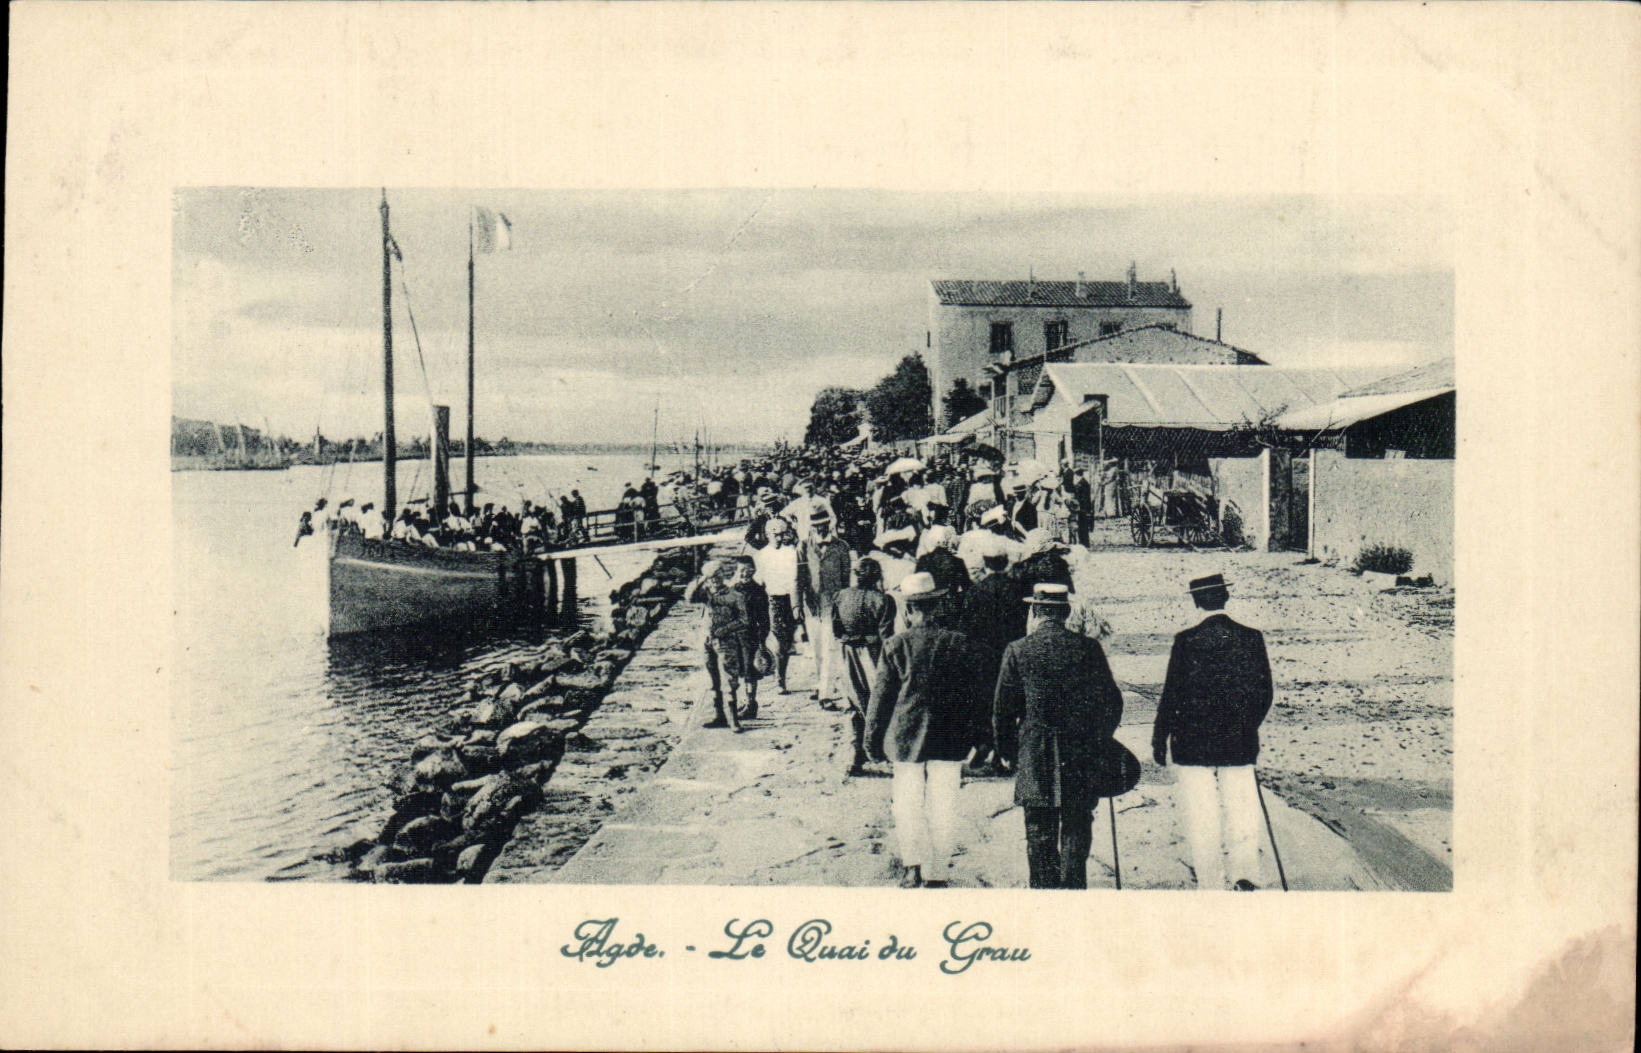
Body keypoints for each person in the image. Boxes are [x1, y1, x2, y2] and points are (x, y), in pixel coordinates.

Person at [993, 583, 1126, 889]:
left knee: (1039, 828)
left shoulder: (1018, 649)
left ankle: (1044, 892)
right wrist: (1099, 739)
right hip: (1081, 751)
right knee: (1078, 823)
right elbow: (1112, 702)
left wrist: (1009, 753)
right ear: (1066, 612)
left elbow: (1002, 712)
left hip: (1034, 752)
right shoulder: (1089, 648)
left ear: (1036, 611)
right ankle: (1074, 888)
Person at [1151, 573, 1274, 891]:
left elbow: (1171, 694)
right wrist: (1247, 725)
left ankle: (1209, 881)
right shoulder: (1251, 637)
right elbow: (1265, 692)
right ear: (1226, 598)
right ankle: (1246, 875)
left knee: (1201, 812)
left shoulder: (1186, 640)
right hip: (1238, 739)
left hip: (1192, 743)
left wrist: (1159, 738)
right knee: (1243, 806)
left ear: (1196, 601)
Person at [866, 572, 987, 889]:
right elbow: (975, 696)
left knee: (906, 805)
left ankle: (912, 866)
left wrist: (872, 740)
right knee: (944, 806)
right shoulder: (960, 643)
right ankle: (937, 872)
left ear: (907, 611)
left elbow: (881, 699)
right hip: (950, 738)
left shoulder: (895, 645)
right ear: (939, 606)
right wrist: (981, 738)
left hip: (906, 738)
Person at [832, 557, 896, 775]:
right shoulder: (883, 600)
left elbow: (836, 630)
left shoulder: (841, 596)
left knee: (853, 703)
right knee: (879, 702)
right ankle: (880, 751)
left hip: (846, 653)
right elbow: (886, 636)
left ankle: (855, 756)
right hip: (873, 654)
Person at [683, 560, 747, 733]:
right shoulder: (705, 595)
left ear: (723, 576)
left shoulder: (734, 595)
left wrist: (725, 629)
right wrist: (702, 578)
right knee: (713, 680)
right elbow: (689, 597)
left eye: (717, 576)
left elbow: (743, 620)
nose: (714, 581)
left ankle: (733, 719)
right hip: (707, 641)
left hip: (726, 642)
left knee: (729, 679)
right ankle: (719, 716)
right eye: (711, 578)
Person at [797, 504, 851, 706]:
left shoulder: (841, 547)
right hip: (811, 604)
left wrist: (843, 604)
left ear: (829, 524)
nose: (820, 529)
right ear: (811, 527)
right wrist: (797, 605)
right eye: (816, 526)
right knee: (817, 647)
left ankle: (825, 694)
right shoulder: (803, 546)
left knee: (830, 647)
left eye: (824, 524)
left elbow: (846, 579)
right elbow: (799, 578)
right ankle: (822, 685)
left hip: (833, 603)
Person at [752, 516, 800, 693]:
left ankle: (781, 675)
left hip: (791, 598)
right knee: (780, 642)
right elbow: (759, 580)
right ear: (767, 535)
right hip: (773, 600)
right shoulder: (762, 555)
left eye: (782, 534)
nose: (779, 538)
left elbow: (796, 577)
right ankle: (780, 680)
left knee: (787, 642)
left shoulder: (791, 552)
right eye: (775, 535)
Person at [731, 557, 769, 721]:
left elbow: (764, 618)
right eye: (741, 570)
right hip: (734, 636)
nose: (744, 573)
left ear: (753, 571)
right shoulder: (732, 589)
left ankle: (751, 704)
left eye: (748, 570)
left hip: (751, 636)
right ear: (736, 571)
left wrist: (762, 640)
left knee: (749, 671)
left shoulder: (758, 591)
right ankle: (744, 702)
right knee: (736, 670)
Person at [1073, 469, 1094, 547]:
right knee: (1082, 525)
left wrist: (1081, 506)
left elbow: (1084, 498)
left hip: (1083, 507)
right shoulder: (1083, 482)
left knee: (1083, 526)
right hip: (1083, 507)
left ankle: (1084, 542)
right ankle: (1083, 542)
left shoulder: (1082, 483)